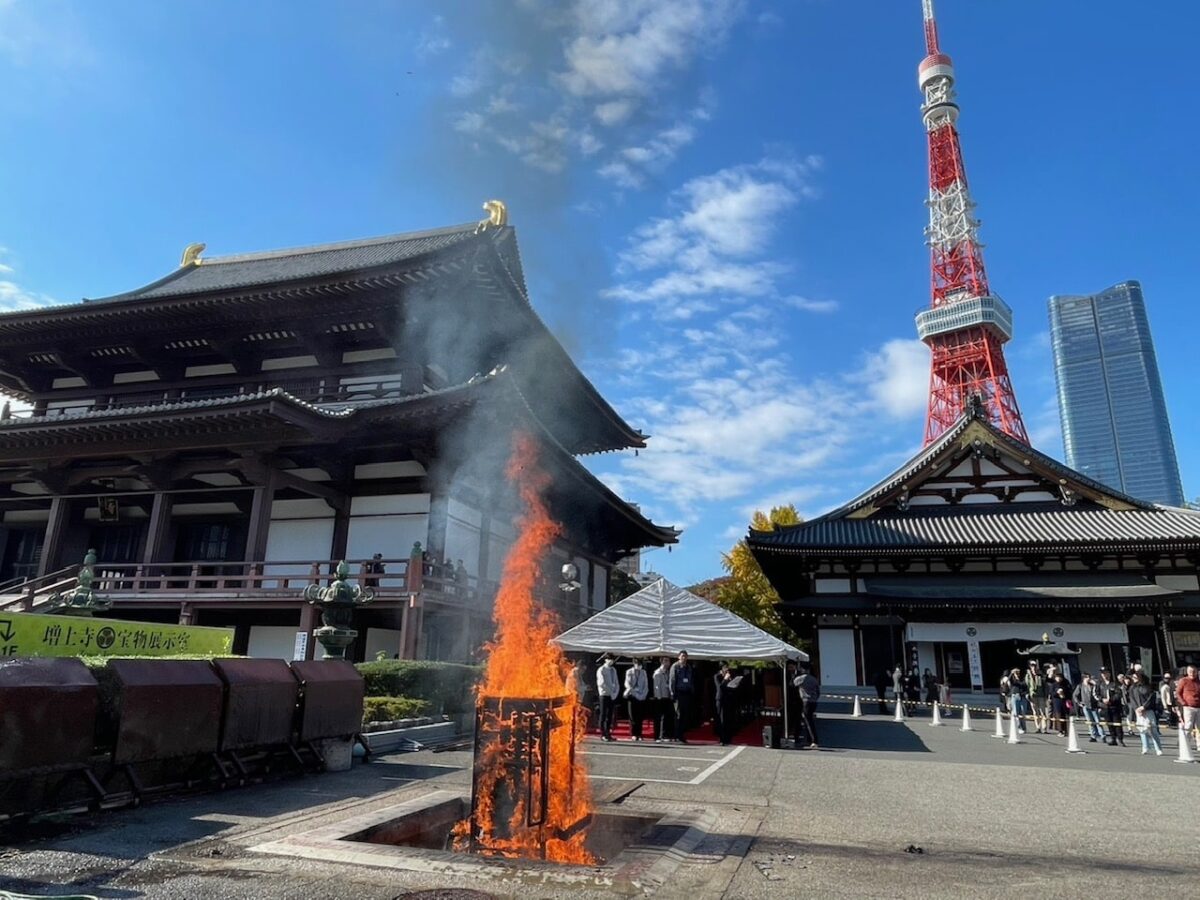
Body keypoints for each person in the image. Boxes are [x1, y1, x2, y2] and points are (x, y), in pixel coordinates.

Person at [1128, 670, 1163, 756]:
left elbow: (1151, 698)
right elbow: (1132, 700)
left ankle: (1158, 748)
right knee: (1142, 730)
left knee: (1152, 729)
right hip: (1138, 711)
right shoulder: (1132, 688)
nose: (1134, 679)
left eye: (1135, 677)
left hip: (1148, 710)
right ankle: (1145, 747)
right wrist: (1137, 709)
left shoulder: (1147, 686)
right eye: (1133, 677)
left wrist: (1144, 707)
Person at [669, 650, 696, 743]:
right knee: (678, 715)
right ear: (678, 657)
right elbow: (672, 680)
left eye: (685, 656)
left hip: (686, 693)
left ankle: (681, 734)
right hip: (678, 693)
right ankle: (677, 735)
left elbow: (691, 680)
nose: (684, 657)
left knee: (685, 715)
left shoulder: (688, 667)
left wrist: (691, 691)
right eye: (682, 656)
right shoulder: (675, 666)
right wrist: (672, 693)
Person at [1096, 668, 1127, 747]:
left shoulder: (1114, 684)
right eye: (1102, 673)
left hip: (1114, 707)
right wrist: (1102, 700)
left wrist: (1111, 700)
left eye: (1105, 673)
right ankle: (1113, 738)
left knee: (1117, 724)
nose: (1104, 675)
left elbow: (1118, 694)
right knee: (1109, 724)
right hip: (1105, 707)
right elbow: (1096, 694)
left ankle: (1120, 739)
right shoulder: (1100, 684)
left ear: (1109, 674)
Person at [624, 657, 650, 741]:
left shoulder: (643, 672)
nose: (638, 666)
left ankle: (639, 734)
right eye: (637, 664)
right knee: (633, 716)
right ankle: (634, 734)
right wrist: (634, 693)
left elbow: (646, 685)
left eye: (640, 664)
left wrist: (643, 695)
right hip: (632, 695)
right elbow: (627, 684)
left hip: (641, 696)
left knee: (640, 716)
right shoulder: (629, 672)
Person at [794, 667, 821, 749]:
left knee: (808, 721)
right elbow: (818, 692)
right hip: (813, 702)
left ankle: (814, 740)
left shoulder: (801, 678)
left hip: (806, 701)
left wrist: (795, 675)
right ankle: (809, 739)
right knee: (809, 720)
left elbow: (793, 683)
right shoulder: (814, 679)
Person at [1176, 665, 1200, 752]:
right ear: (1187, 672)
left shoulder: (1198, 681)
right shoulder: (1183, 680)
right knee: (1188, 726)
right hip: (1188, 707)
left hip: (1198, 707)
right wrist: (1183, 703)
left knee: (1199, 727)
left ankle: (1199, 745)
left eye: (1194, 672)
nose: (1192, 674)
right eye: (1190, 671)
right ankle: (1186, 744)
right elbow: (1178, 693)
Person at [1073, 673, 1104, 742]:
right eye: (1087, 677)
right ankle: (1093, 736)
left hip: (1094, 705)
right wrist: (1079, 702)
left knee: (1098, 721)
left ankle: (1102, 735)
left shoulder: (1093, 685)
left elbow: (1097, 693)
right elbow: (1075, 695)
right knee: (1090, 722)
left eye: (1089, 677)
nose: (1089, 679)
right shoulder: (1080, 686)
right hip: (1086, 706)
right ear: (1084, 678)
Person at [714, 663, 740, 745]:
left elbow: (730, 688)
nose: (727, 671)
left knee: (729, 718)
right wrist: (725, 679)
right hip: (720, 699)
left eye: (728, 669)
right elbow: (720, 687)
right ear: (722, 669)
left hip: (728, 699)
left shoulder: (729, 676)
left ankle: (728, 738)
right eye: (725, 669)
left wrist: (735, 684)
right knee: (721, 719)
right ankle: (722, 738)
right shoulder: (717, 676)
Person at [596, 654, 619, 742]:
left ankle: (608, 733)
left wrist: (615, 692)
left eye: (612, 659)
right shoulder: (601, 669)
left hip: (612, 695)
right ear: (605, 660)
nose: (611, 661)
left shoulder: (613, 670)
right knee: (603, 714)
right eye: (609, 659)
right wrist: (610, 690)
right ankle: (603, 734)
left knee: (610, 715)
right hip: (604, 694)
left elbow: (616, 682)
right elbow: (602, 683)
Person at [652, 656, 674, 742]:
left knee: (666, 717)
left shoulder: (668, 672)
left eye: (668, 661)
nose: (667, 663)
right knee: (658, 717)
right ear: (662, 662)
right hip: (659, 698)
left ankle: (664, 735)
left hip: (667, 697)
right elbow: (656, 687)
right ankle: (657, 736)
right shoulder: (658, 673)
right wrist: (659, 697)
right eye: (665, 661)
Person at [1026, 661, 1046, 733]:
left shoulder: (1040, 675)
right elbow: (1027, 685)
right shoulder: (1028, 676)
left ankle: (1044, 727)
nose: (1033, 668)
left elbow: (1044, 685)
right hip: (1032, 695)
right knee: (1035, 712)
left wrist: (1046, 695)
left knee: (1042, 711)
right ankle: (1038, 727)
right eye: (1032, 666)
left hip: (1041, 695)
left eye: (1034, 666)